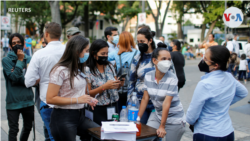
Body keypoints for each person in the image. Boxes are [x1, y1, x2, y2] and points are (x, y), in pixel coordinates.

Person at [186, 46, 248, 141]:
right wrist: (224, 103)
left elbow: (191, 116)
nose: (202, 60)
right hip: (228, 132)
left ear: (216, 65)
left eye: (205, 59)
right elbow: (243, 92)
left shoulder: (204, 84)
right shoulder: (229, 77)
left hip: (206, 133)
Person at [46, 35, 99, 141]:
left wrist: (88, 99)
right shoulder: (60, 70)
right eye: (86, 50)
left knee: (99, 133)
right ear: (77, 51)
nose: (88, 54)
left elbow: (75, 91)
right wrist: (78, 100)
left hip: (80, 115)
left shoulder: (78, 68)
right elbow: (50, 98)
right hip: (63, 117)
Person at [25, 22, 65, 141]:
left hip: (48, 102)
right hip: (68, 102)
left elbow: (28, 81)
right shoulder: (69, 51)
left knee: (53, 137)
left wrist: (41, 78)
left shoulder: (39, 54)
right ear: (60, 34)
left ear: (46, 34)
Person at [138, 48, 185, 141]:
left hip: (174, 119)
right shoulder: (148, 76)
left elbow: (166, 103)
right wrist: (137, 119)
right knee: (147, 138)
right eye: (164, 59)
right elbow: (145, 98)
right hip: (157, 115)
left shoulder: (172, 78)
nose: (167, 62)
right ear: (154, 60)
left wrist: (162, 126)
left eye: (169, 59)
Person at [2, 33, 34, 141]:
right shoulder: (6, 60)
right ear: (10, 46)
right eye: (14, 43)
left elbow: (31, 81)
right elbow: (13, 78)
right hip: (13, 102)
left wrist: (16, 72)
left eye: (19, 43)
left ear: (23, 44)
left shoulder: (30, 59)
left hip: (28, 100)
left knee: (28, 127)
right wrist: (20, 61)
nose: (16, 45)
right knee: (13, 130)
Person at [85, 39, 124, 125]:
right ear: (94, 54)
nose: (105, 56)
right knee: (99, 134)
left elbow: (115, 86)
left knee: (114, 132)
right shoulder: (87, 70)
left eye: (107, 53)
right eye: (102, 54)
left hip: (113, 105)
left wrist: (119, 84)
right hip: (97, 108)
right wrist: (104, 87)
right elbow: (88, 93)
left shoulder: (109, 66)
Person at [128, 28, 156, 124]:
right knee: (140, 130)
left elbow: (172, 78)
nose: (140, 44)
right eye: (138, 42)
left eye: (142, 41)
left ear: (150, 41)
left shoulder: (161, 57)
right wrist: (130, 102)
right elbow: (131, 82)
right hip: (139, 102)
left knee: (155, 133)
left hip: (157, 103)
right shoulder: (137, 58)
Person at [108, 31, 140, 112]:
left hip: (119, 87)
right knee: (132, 110)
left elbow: (104, 58)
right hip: (132, 88)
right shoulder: (137, 53)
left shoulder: (115, 53)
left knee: (119, 110)